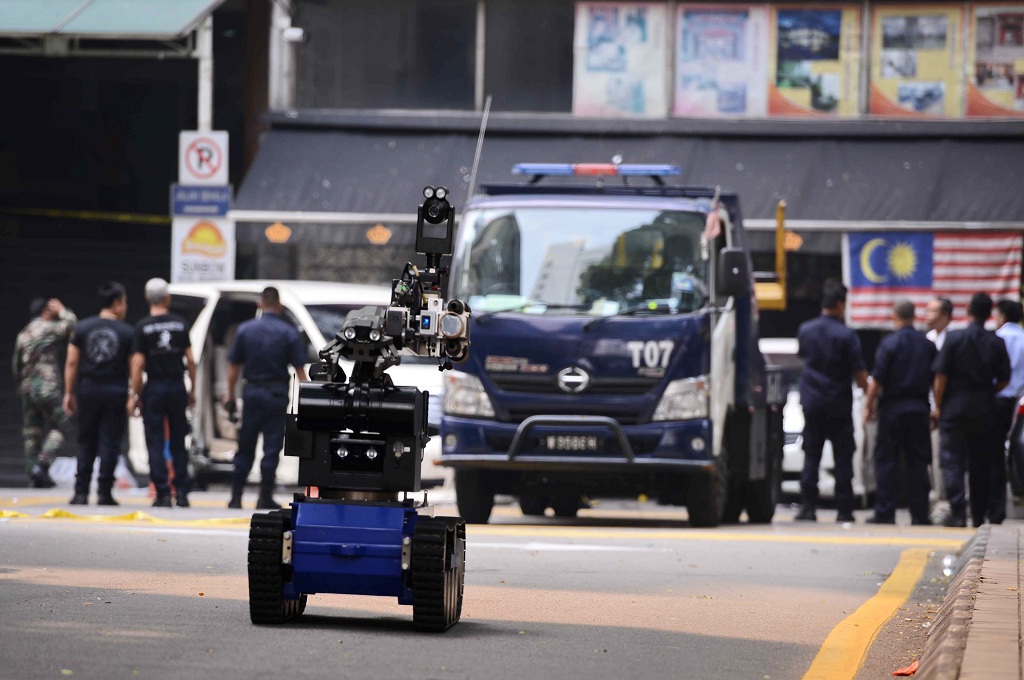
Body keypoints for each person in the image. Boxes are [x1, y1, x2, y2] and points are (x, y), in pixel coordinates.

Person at [224, 287, 308, 510]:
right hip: (277, 395)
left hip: (252, 392)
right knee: (271, 447)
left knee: (246, 444)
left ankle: (236, 497)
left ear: (260, 304)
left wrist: (230, 395)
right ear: (279, 306)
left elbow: (233, 368)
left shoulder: (245, 330)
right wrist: (309, 398)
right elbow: (300, 370)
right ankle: (264, 496)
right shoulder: (288, 332)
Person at [932, 292, 1010, 527]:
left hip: (954, 406)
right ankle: (978, 514)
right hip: (984, 407)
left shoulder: (954, 338)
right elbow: (1005, 379)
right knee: (981, 463)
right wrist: (987, 391)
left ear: (967, 310)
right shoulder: (996, 342)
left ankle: (958, 512)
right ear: (989, 314)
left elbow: (941, 376)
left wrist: (938, 405)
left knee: (952, 461)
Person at [795, 281, 869, 522]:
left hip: (812, 402)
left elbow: (803, 357)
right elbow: (859, 372)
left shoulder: (806, 330)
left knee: (811, 455)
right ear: (839, 305)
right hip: (838, 403)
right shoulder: (847, 335)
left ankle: (808, 507)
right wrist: (870, 396)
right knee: (843, 457)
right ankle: (844, 510)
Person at [862, 300, 936, 525]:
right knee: (918, 462)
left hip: (893, 409)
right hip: (919, 408)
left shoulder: (889, 343)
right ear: (914, 316)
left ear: (895, 315)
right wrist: (937, 407)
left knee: (887, 461)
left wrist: (868, 407)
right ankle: (920, 514)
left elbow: (877, 380)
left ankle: (885, 512)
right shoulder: (927, 345)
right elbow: (938, 379)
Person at [63, 282, 134, 506]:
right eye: (125, 302)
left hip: (88, 390)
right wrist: (134, 394)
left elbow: (72, 362)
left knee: (86, 441)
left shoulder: (83, 328)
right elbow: (135, 366)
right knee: (110, 442)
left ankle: (80, 492)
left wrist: (68, 392)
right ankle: (104, 493)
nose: (126, 307)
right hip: (115, 391)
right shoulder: (127, 332)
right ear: (117, 303)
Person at [129, 278, 195, 508]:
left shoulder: (143, 326)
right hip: (176, 386)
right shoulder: (180, 324)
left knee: (155, 441)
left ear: (147, 299)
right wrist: (192, 390)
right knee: (178, 440)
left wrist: (134, 395)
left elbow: (138, 364)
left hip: (155, 388)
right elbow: (191, 360)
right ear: (167, 298)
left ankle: (163, 494)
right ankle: (182, 493)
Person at [12, 297, 77, 487]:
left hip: (27, 389)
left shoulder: (23, 334)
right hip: (47, 387)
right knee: (61, 426)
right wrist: (62, 310)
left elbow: (16, 365)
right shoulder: (48, 328)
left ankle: (34, 473)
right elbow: (74, 327)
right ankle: (42, 464)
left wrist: (21, 387)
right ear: (46, 311)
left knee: (32, 432)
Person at [991, 299, 1024, 524]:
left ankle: (995, 510)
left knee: (994, 456)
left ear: (1001, 316)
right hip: (1020, 402)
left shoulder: (996, 338)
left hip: (997, 400)